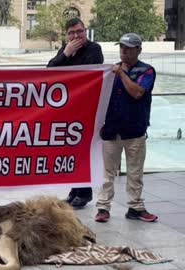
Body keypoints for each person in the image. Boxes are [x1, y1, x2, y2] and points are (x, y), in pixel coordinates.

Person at [95, 33, 158, 223]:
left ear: (138, 50)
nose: (124, 51)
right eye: (122, 47)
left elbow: (137, 93)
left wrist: (121, 73)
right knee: (107, 173)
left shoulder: (147, 72)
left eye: (129, 48)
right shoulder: (109, 72)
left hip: (135, 131)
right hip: (111, 130)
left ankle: (135, 208)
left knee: (135, 172)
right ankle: (103, 207)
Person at [47, 17, 104, 208]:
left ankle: (85, 192)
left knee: (83, 151)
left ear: (85, 31)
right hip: (68, 111)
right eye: (71, 33)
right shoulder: (65, 50)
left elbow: (88, 73)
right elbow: (49, 72)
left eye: (79, 31)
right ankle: (75, 189)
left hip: (87, 110)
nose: (76, 36)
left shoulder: (94, 49)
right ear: (66, 35)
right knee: (71, 151)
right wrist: (65, 54)